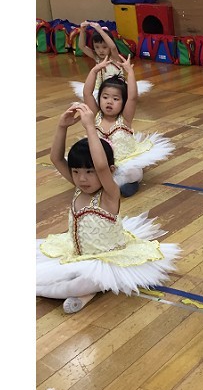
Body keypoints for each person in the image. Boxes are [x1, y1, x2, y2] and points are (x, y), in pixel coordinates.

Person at [36, 103, 181, 313]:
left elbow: (101, 165)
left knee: (80, 282)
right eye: (76, 172)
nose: (82, 179)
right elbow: (56, 159)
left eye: (89, 172)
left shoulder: (109, 195)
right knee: (55, 271)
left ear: (110, 171)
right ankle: (82, 293)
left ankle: (58, 290)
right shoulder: (79, 188)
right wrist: (62, 126)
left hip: (106, 261)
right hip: (78, 255)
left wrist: (89, 127)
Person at [83, 54, 174, 197]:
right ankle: (106, 183)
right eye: (105, 97)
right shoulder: (96, 116)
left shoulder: (124, 119)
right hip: (101, 164)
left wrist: (130, 72)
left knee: (131, 174)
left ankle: (124, 183)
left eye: (115, 99)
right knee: (83, 170)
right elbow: (87, 93)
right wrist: (94, 71)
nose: (109, 102)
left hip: (122, 162)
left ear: (123, 102)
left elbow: (132, 97)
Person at [69, 20, 152, 100]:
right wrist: (82, 31)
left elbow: (113, 47)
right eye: (97, 47)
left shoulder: (115, 57)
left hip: (117, 89)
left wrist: (100, 30)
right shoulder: (97, 57)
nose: (100, 50)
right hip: (101, 89)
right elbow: (82, 46)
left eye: (104, 47)